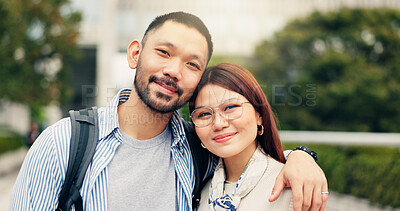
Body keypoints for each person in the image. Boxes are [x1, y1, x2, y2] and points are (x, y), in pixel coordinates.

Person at [10, 12, 327, 211]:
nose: (174, 70)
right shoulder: (63, 143)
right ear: (135, 53)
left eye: (192, 64)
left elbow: (245, 155)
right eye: (164, 52)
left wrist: (301, 156)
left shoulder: (197, 148)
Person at [190, 62, 314, 210]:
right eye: (204, 114)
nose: (218, 123)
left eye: (230, 107)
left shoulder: (294, 186)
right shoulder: (195, 190)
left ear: (259, 115)